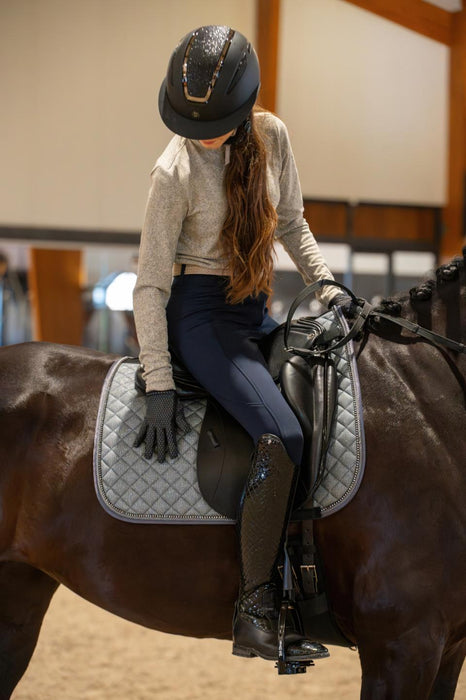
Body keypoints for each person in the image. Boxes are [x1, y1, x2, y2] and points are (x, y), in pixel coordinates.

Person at [133, 25, 349, 666]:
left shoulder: (273, 135)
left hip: (256, 308)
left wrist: (329, 286)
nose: (202, 135)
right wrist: (158, 380)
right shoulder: (172, 170)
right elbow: (148, 284)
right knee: (279, 435)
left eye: (217, 123)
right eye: (191, 123)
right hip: (200, 316)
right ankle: (254, 607)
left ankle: (306, 576)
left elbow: (290, 222)